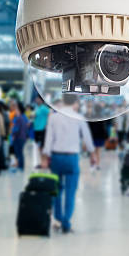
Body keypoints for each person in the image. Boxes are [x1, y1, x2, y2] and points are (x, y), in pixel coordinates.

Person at [42, 95, 96, 233]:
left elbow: (49, 139)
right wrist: (92, 154)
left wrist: (45, 155)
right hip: (72, 158)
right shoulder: (78, 117)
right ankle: (66, 223)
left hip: (56, 157)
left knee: (57, 190)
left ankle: (58, 219)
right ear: (75, 103)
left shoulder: (53, 117)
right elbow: (87, 137)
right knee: (71, 192)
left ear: (63, 100)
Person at [10, 100, 29, 172]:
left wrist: (13, 135)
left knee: (19, 153)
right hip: (23, 137)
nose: (15, 110)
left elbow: (16, 129)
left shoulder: (19, 118)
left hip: (18, 138)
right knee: (21, 153)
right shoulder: (23, 117)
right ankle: (21, 166)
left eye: (16, 109)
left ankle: (21, 166)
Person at [88, 104, 108, 170]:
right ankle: (97, 165)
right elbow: (103, 128)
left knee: (92, 151)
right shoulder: (102, 117)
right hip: (100, 137)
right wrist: (106, 137)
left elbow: (89, 127)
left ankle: (92, 165)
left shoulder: (92, 117)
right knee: (98, 151)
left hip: (93, 136)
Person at [33, 96, 49, 167]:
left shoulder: (43, 108)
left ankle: (44, 163)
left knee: (42, 147)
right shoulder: (38, 108)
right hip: (37, 130)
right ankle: (42, 162)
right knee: (40, 147)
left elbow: (50, 114)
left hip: (42, 130)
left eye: (37, 99)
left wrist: (47, 125)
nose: (36, 100)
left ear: (41, 100)